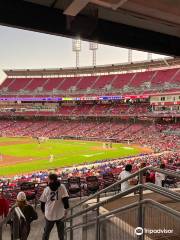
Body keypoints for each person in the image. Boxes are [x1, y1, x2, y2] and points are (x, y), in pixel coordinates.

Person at [40, 173, 69, 240]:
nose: (48, 180)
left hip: (49, 215)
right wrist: (66, 211)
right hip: (60, 214)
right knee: (61, 233)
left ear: (52, 180)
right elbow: (65, 200)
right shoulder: (62, 186)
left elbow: (42, 203)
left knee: (46, 233)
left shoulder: (47, 189)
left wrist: (43, 213)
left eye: (49, 179)